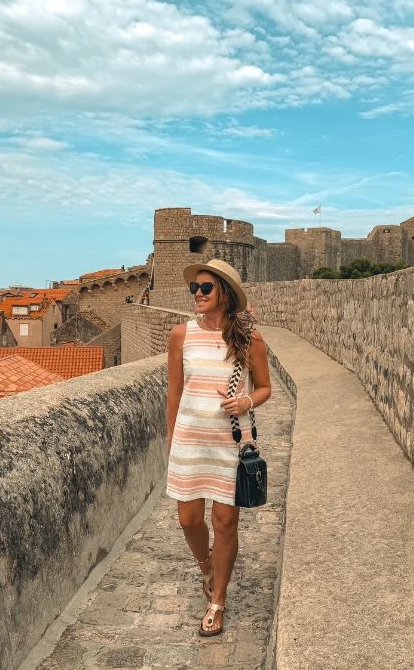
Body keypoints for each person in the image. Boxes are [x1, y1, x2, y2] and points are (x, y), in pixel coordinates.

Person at [166, 259, 272, 637]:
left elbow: (264, 387)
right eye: (195, 287)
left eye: (206, 288)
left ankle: (218, 600)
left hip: (230, 442)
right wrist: (171, 441)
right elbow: (174, 394)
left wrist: (247, 402)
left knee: (225, 521)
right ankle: (207, 569)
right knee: (189, 519)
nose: (197, 293)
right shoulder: (181, 335)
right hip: (190, 440)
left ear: (224, 294)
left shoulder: (249, 339)